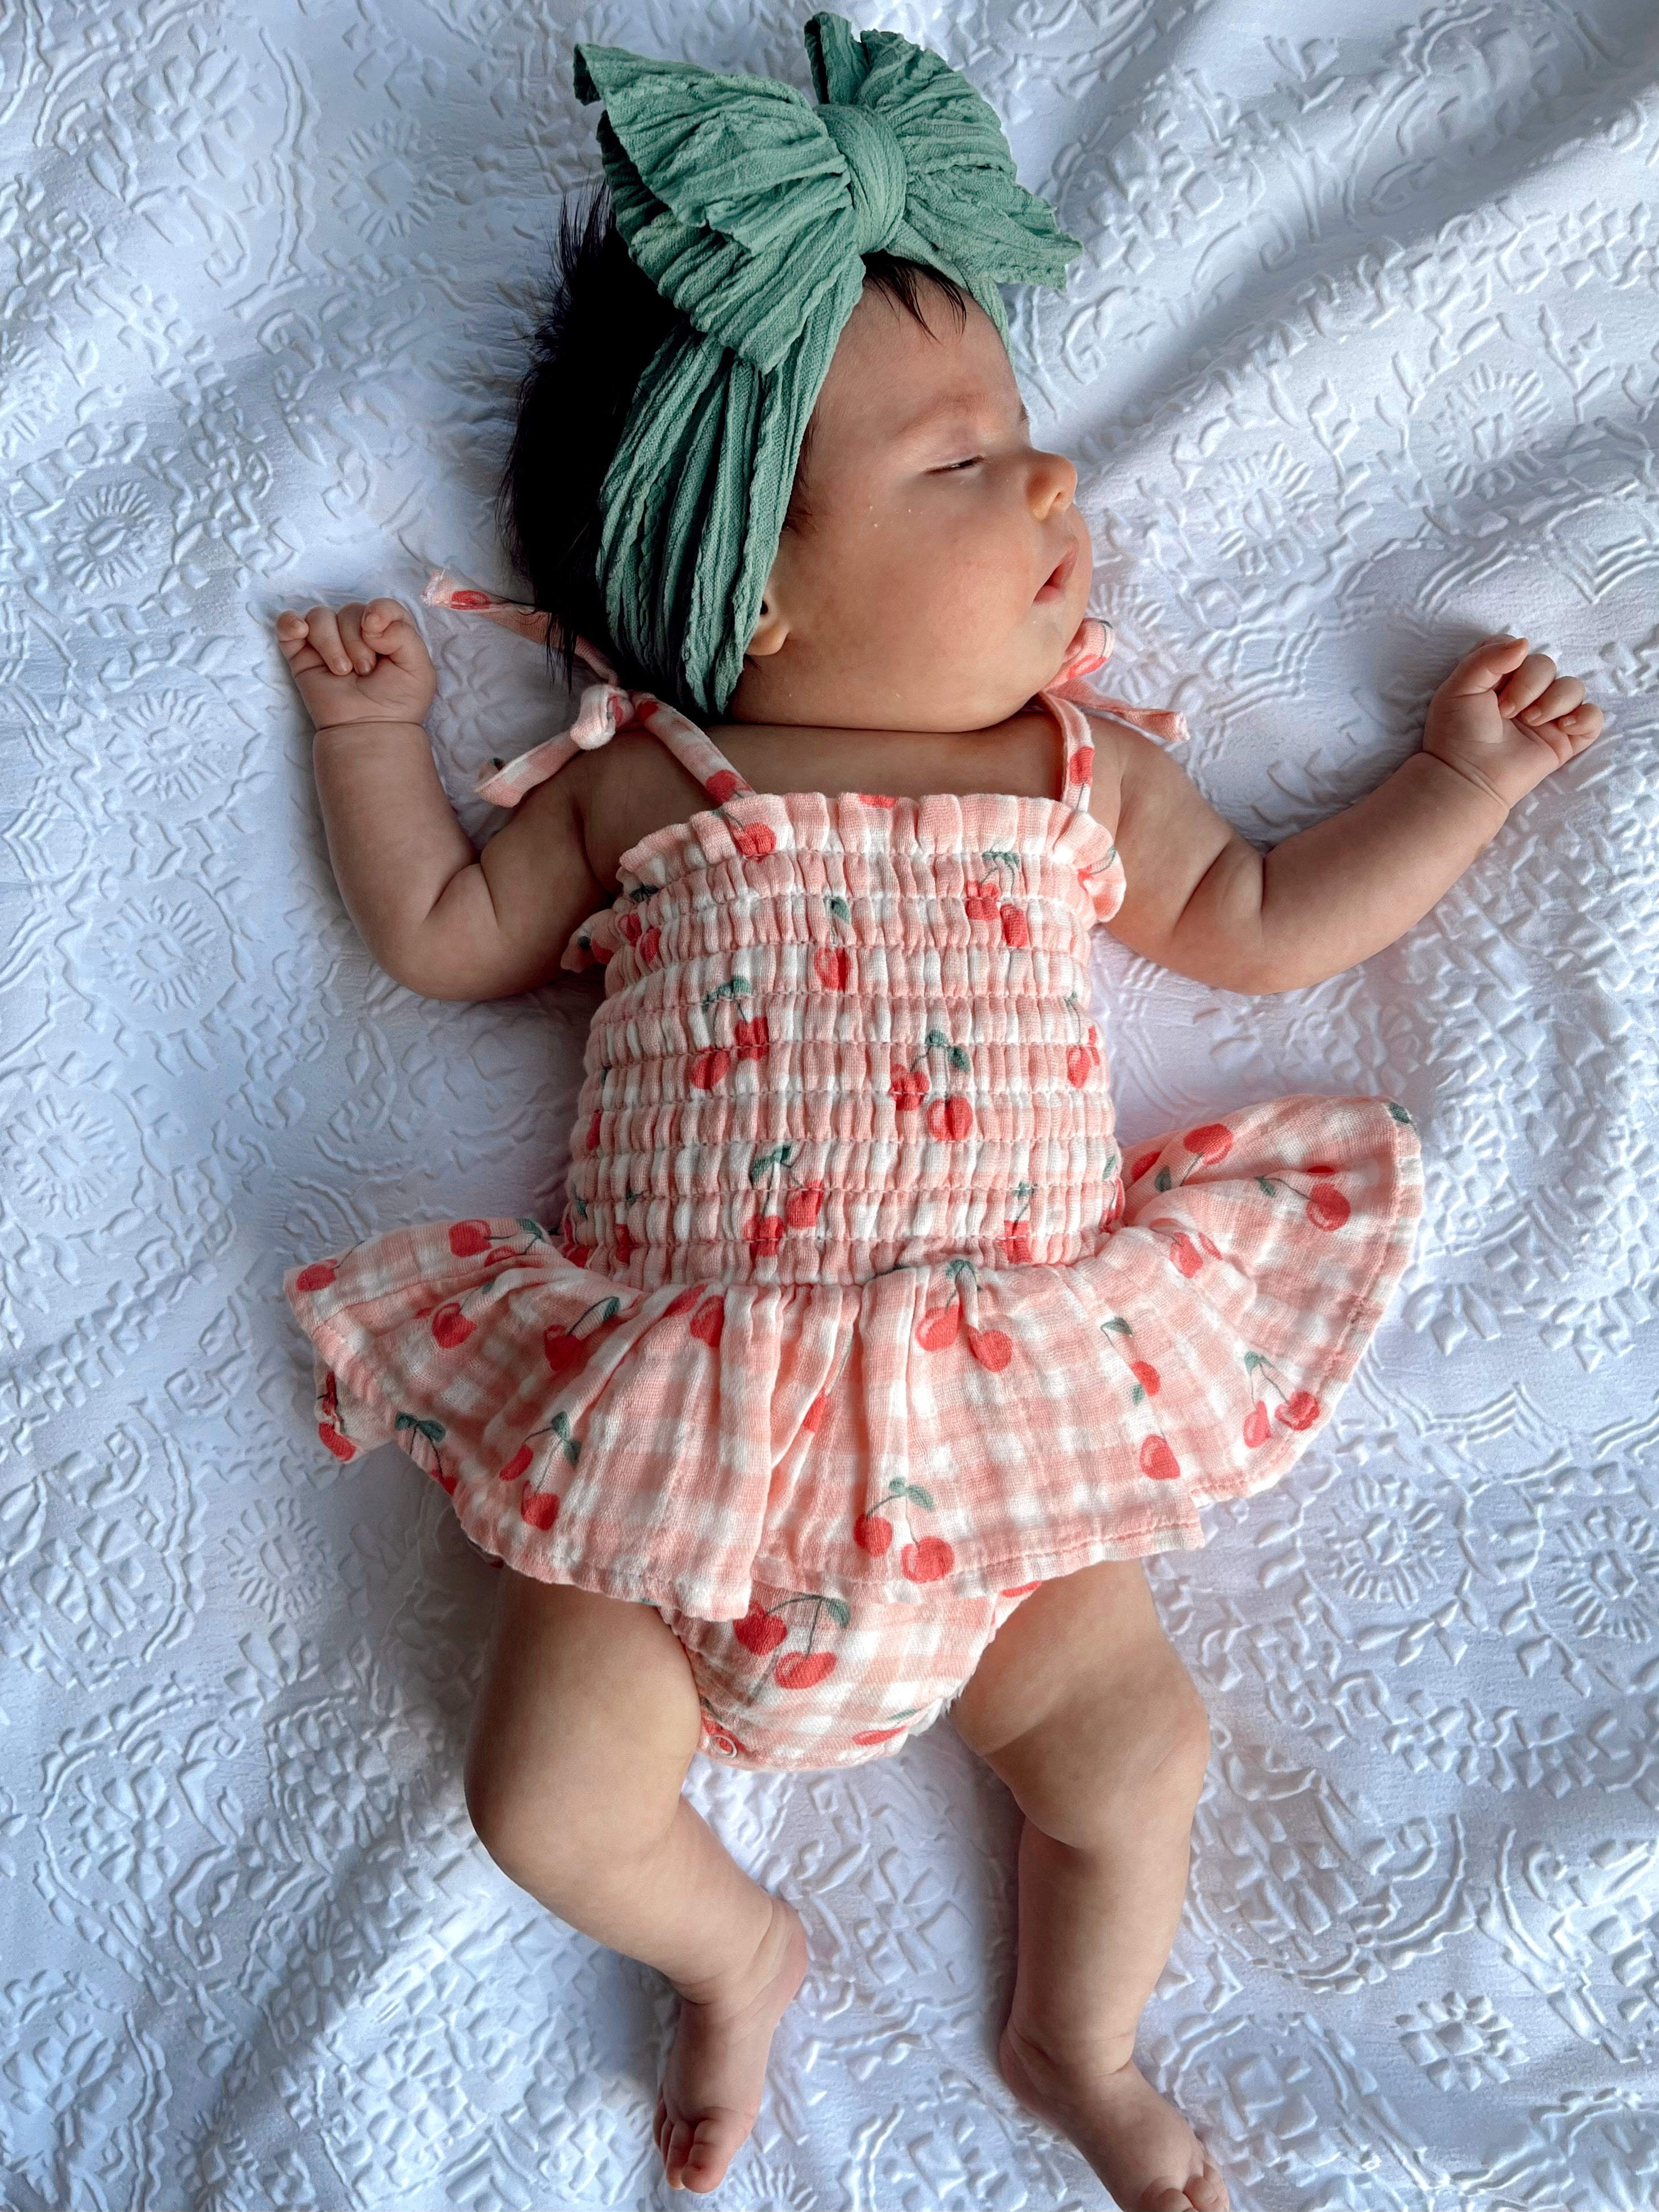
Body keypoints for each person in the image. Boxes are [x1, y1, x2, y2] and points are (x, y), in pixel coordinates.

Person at [275, 18, 1605, 2209]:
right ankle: (737, 1948)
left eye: (1026, 433)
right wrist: (375, 741)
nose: (1052, 486)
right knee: (547, 1803)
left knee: (1134, 1747)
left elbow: (1263, 923)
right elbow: (440, 928)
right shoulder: (650, 786)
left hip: (1005, 1409)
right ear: (757, 589)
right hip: (685, 1434)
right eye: (963, 463)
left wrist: (1455, 783)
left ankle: (1074, 2037)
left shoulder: (1073, 774)